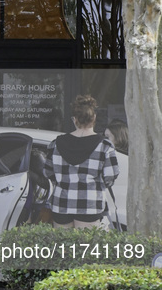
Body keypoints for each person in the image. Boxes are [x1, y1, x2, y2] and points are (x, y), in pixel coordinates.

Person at [43, 95, 119, 229]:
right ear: (94, 118)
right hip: (90, 204)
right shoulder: (105, 146)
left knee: (63, 248)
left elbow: (48, 171)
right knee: (86, 247)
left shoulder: (56, 144)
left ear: (74, 119)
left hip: (61, 202)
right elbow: (110, 176)